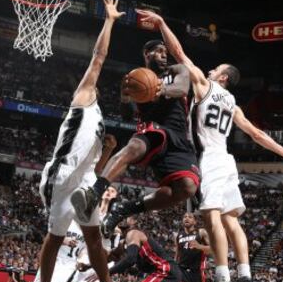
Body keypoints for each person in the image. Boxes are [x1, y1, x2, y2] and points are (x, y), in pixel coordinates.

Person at [135, 9, 283, 282]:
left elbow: (178, 52)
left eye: (216, 69)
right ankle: (245, 277)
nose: (210, 69)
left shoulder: (205, 85)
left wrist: (162, 24)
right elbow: (255, 134)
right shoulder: (234, 104)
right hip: (228, 160)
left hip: (209, 159)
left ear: (222, 77)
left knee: (211, 215)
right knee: (231, 221)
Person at [32, 0, 135, 282]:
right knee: (55, 237)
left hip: (83, 182)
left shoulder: (100, 118)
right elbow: (99, 57)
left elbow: (93, 166)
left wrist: (106, 151)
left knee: (94, 237)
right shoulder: (83, 96)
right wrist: (110, 20)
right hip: (62, 176)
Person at [72, 38, 200, 239]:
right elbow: (126, 116)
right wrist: (124, 97)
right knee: (135, 146)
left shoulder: (177, 70)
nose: (164, 54)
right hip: (153, 129)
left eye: (165, 51)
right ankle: (93, 194)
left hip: (178, 137)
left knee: (186, 188)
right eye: (158, 51)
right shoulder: (136, 78)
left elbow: (182, 89)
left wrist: (161, 89)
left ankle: (124, 209)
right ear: (146, 54)